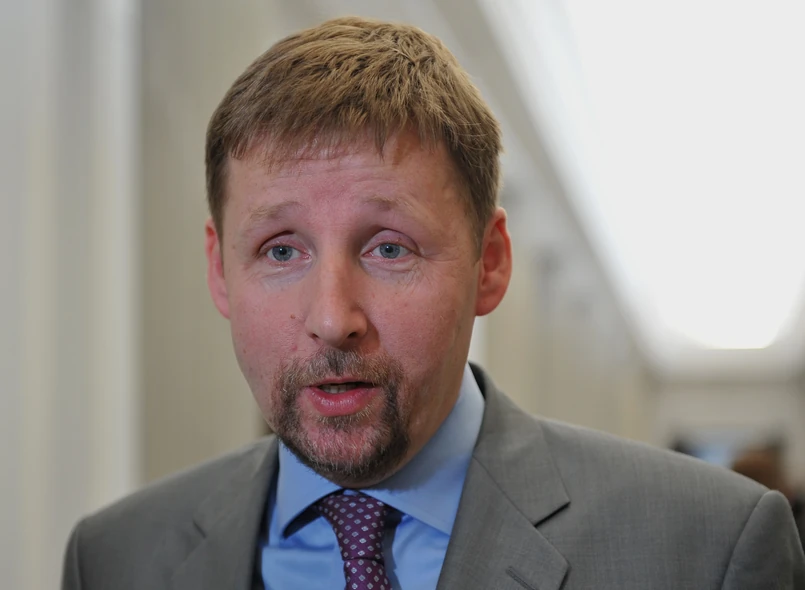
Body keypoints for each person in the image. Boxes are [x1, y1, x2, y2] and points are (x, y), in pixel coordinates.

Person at [62, 16, 805, 590]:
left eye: (389, 249)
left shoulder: (705, 548)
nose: (333, 318)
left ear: (490, 262)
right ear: (219, 271)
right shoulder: (116, 558)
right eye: (281, 251)